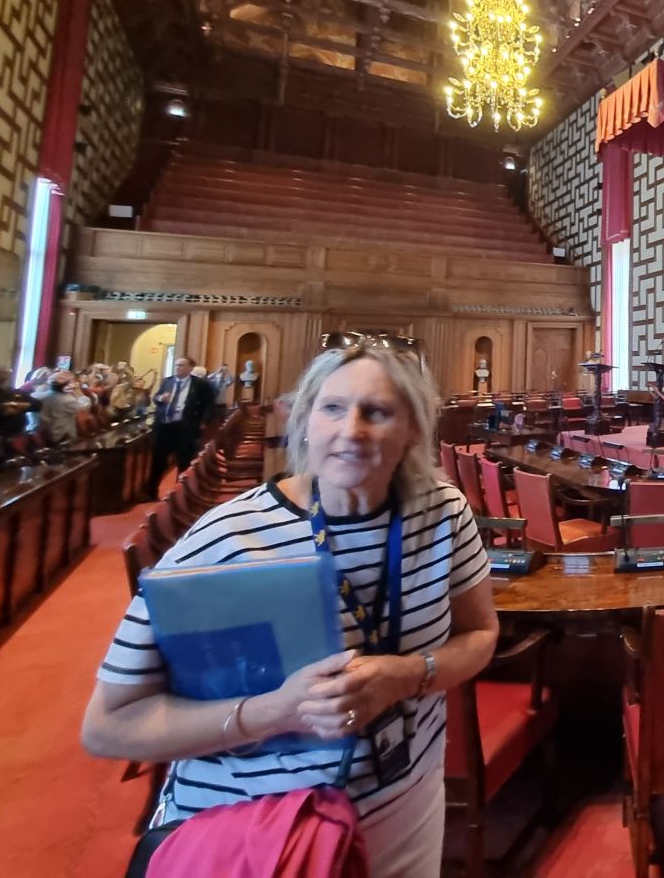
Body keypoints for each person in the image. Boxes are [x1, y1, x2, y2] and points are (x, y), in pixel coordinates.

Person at [82, 343, 498, 877]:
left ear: (414, 430)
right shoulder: (229, 539)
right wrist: (275, 711)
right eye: (332, 408)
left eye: (378, 412)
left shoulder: (443, 513)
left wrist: (410, 675)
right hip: (258, 828)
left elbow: (480, 634)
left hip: (406, 804)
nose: (351, 430)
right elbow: (108, 725)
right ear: (304, 422)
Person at [148, 358, 215, 499]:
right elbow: (155, 398)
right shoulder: (167, 381)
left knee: (184, 461)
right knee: (158, 461)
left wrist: (203, 422)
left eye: (182, 365)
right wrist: (161, 398)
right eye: (177, 365)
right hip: (164, 426)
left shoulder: (200, 384)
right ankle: (150, 492)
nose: (178, 368)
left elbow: (209, 404)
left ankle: (180, 495)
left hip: (185, 427)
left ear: (191, 368)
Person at [37, 372, 90, 446]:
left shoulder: (39, 396)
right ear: (66, 385)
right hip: (62, 436)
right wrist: (78, 391)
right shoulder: (67, 400)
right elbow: (85, 405)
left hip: (43, 435)